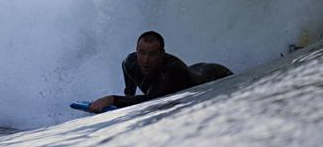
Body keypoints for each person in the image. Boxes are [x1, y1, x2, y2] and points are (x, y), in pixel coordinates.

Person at [89, 31, 233, 113]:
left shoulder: (172, 69)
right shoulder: (129, 62)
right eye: (141, 52)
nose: (145, 60)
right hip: (195, 70)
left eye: (152, 54)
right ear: (136, 51)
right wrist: (126, 100)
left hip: (215, 76)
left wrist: (113, 99)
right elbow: (129, 91)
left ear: (162, 54)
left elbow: (152, 98)